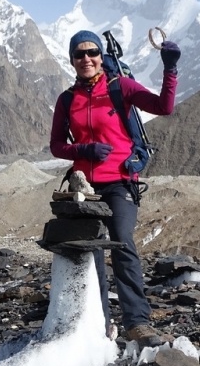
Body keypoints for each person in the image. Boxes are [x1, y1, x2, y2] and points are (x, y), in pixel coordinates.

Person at [49, 30, 180, 347]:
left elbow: (164, 107)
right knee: (89, 251)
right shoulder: (67, 100)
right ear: (72, 60)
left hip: (121, 181)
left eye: (91, 52)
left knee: (122, 242)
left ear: (100, 56)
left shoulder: (120, 87)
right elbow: (56, 146)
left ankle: (138, 322)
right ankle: (100, 323)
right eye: (79, 55)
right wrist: (83, 151)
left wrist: (170, 69)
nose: (86, 59)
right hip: (85, 188)